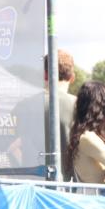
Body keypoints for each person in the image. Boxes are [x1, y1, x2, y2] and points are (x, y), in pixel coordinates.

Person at [48, 49, 78, 182]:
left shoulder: (26, 105)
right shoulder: (80, 105)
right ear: (72, 77)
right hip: (70, 189)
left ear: (44, 74)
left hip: (32, 190)